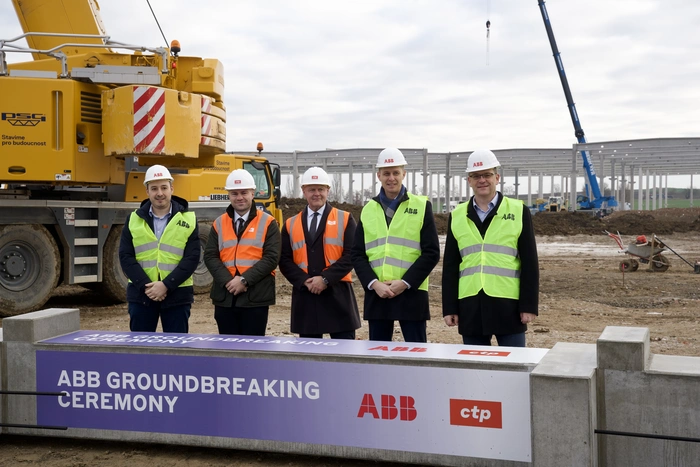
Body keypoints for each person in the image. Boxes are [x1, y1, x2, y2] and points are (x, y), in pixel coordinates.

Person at [442, 149, 539, 347]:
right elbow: (450, 265)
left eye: (487, 174)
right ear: (469, 180)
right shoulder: (457, 215)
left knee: (513, 363)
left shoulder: (518, 211)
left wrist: (529, 305)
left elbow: (530, 262)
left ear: (497, 177)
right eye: (476, 176)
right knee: (475, 365)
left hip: (509, 305)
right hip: (470, 305)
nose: (482, 180)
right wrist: (450, 307)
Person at [351, 148, 440, 342]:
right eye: (386, 173)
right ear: (379, 176)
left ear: (403, 174)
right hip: (378, 293)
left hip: (411, 292)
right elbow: (357, 254)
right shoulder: (368, 210)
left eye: (395, 173)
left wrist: (405, 283)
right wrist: (374, 284)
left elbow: (431, 252)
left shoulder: (421, 206)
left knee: (416, 353)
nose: (391, 178)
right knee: (378, 354)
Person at [279, 167, 361, 339]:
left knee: (343, 352)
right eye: (312, 189)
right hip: (306, 296)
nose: (317, 194)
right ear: (304, 191)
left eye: (320, 189)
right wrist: (304, 281)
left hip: (338, 295)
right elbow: (284, 260)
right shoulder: (290, 224)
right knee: (309, 353)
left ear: (328, 190)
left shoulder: (345, 218)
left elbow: (352, 255)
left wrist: (325, 279)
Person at [119, 164, 200, 333]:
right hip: (142, 295)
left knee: (176, 346)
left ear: (172, 188)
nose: (160, 193)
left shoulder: (189, 219)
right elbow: (126, 257)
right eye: (154, 188)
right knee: (141, 347)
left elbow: (192, 258)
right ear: (147, 191)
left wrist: (165, 285)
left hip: (177, 294)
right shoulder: (133, 219)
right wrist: (147, 286)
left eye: (164, 187)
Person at [203, 169, 280, 336]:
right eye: (234, 193)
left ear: (252, 193)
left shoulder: (268, 222)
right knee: (227, 347)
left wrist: (244, 280)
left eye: (244, 192)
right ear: (229, 195)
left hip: (255, 298)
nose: (239, 197)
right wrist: (228, 281)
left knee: (252, 348)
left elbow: (271, 258)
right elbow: (210, 256)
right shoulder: (219, 223)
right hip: (225, 297)